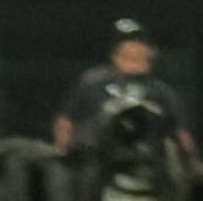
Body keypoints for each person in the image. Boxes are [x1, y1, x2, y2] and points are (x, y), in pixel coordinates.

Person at [52, 18, 193, 157]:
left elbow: (181, 133)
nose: (133, 46)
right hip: (97, 157)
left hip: (144, 159)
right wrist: (64, 153)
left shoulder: (161, 91)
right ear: (115, 53)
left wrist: (190, 160)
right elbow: (65, 121)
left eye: (138, 42)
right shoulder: (92, 82)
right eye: (127, 43)